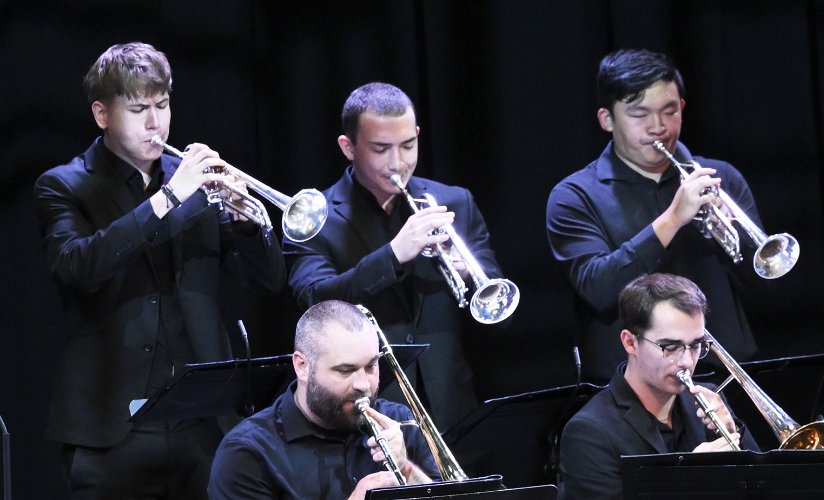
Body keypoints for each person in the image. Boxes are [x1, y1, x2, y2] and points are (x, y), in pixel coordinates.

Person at [34, 41, 285, 499]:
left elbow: (269, 282)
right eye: (138, 109)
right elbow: (77, 267)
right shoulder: (65, 185)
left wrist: (249, 225)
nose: (155, 123)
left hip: (203, 427)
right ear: (102, 114)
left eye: (162, 105)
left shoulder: (193, 180)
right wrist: (167, 200)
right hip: (110, 432)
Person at [284, 82, 505, 429]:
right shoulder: (314, 217)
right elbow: (313, 300)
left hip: (450, 401)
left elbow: (490, 285)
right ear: (348, 147)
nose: (398, 163)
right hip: (366, 408)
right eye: (381, 149)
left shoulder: (455, 200)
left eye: (408, 145)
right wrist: (394, 255)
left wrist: (464, 271)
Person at [546, 49, 766, 382]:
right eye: (639, 114)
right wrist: (673, 218)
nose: (658, 127)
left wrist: (733, 229)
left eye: (669, 111)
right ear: (607, 119)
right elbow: (599, 289)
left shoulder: (721, 177)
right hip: (629, 387)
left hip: (725, 374)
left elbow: (764, 283)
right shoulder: (574, 196)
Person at [557, 273, 760, 500]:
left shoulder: (707, 403)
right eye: (670, 347)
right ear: (630, 342)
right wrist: (690, 479)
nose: (686, 361)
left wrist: (735, 433)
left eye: (695, 346)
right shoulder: (589, 432)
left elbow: (763, 489)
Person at [209, 300, 439, 499]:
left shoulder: (400, 422)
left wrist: (406, 469)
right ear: (302, 366)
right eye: (345, 370)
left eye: (371, 366)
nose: (363, 384)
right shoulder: (247, 453)